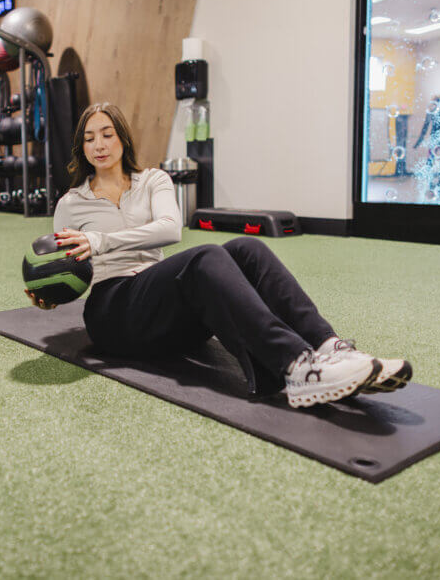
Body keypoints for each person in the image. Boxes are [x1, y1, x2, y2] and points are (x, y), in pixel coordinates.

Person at [25, 103, 411, 408]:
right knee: (206, 257)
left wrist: (100, 241)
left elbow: (170, 229)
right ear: (82, 147)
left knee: (248, 248)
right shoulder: (71, 203)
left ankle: (331, 348)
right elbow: (64, 263)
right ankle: (298, 367)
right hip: (114, 312)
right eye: (90, 138)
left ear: (123, 138)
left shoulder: (154, 180)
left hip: (163, 307)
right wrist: (49, 295)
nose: (100, 145)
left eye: (107, 134)